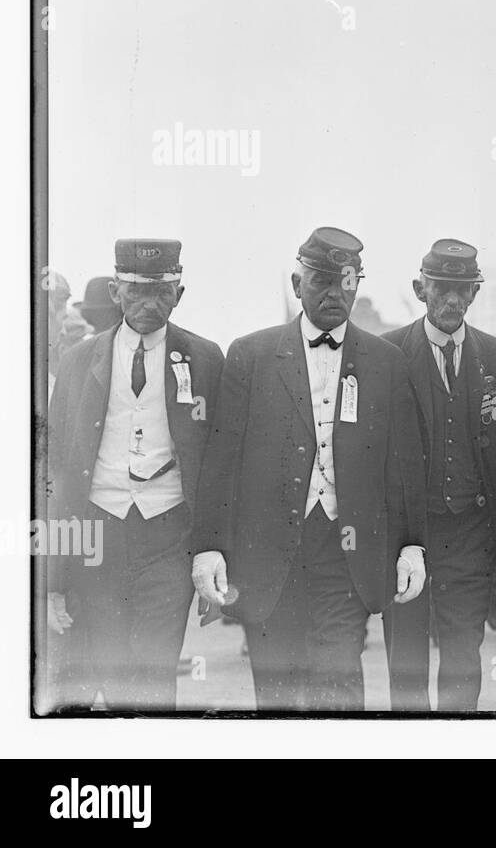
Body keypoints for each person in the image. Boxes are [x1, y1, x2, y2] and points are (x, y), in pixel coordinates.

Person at [191, 226, 426, 711]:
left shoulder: (386, 361)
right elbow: (222, 462)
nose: (335, 293)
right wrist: (209, 547)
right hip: (269, 555)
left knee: (339, 679)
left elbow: (402, 467)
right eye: (321, 280)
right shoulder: (250, 356)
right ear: (298, 285)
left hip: (348, 553)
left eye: (346, 281)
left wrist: (411, 545)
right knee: (275, 691)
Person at [46, 239, 223, 709]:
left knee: (155, 668)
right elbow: (60, 471)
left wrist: (212, 554)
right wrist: (54, 579)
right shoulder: (78, 363)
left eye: (163, 293)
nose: (150, 304)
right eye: (137, 291)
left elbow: (217, 467)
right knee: (108, 660)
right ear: (115, 291)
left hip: (169, 535)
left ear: (179, 294)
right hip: (100, 531)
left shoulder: (205, 360)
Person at [382, 239, 496, 711]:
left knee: (463, 655)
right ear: (421, 289)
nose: (453, 300)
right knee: (407, 656)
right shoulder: (387, 353)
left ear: (475, 293)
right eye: (442, 288)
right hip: (406, 534)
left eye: (464, 289)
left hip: (469, 533)